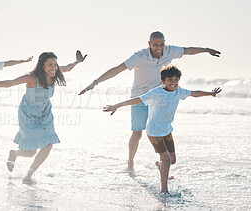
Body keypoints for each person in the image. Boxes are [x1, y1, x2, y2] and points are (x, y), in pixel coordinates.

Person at [79, 31, 221, 170]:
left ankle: (163, 165)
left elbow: (188, 50)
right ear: (149, 44)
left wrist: (207, 50)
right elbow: (117, 69)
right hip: (140, 97)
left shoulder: (170, 51)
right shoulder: (139, 56)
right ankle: (130, 162)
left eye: (161, 44)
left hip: (159, 97)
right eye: (155, 45)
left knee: (161, 130)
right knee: (137, 133)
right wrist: (95, 82)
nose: (159, 48)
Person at [103, 65, 221, 193]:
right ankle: (164, 190)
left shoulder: (178, 91)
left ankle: (160, 166)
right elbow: (137, 100)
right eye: (170, 79)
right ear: (163, 81)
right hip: (154, 131)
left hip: (167, 130)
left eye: (176, 80)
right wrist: (117, 105)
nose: (173, 82)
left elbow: (194, 93)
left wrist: (211, 93)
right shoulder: (156, 92)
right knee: (167, 159)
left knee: (172, 160)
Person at [0, 51, 87, 183]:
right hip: (28, 115)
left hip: (45, 114)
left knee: (48, 145)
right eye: (50, 65)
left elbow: (68, 67)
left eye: (55, 65)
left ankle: (29, 174)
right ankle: (14, 154)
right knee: (31, 151)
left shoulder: (55, 74)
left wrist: (78, 61)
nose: (54, 68)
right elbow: (10, 83)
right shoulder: (32, 78)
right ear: (42, 65)